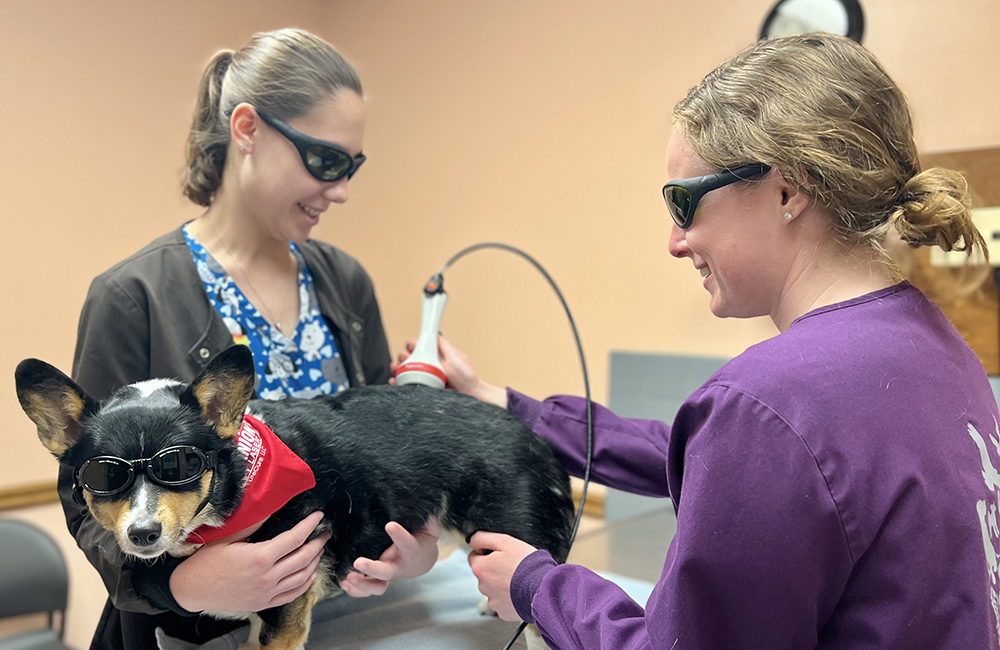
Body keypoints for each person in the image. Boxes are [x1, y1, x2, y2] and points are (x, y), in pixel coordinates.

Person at [395, 34, 999, 648]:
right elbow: (709, 458)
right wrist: (501, 402)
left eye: (683, 203)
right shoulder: (934, 347)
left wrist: (536, 586)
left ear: (787, 191)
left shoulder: (770, 406)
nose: (675, 242)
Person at [66, 28, 437, 650]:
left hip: (346, 614)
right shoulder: (135, 296)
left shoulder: (344, 283)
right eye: (325, 161)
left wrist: (411, 546)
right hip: (190, 632)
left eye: (354, 166)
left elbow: (382, 450)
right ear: (247, 129)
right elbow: (87, 499)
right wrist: (181, 586)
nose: (342, 189)